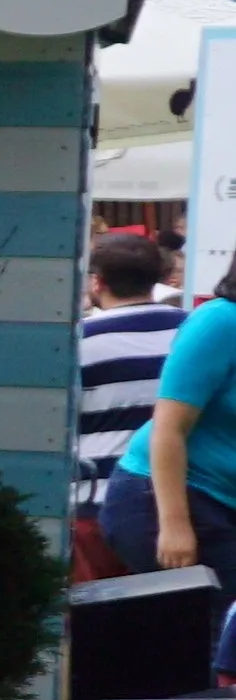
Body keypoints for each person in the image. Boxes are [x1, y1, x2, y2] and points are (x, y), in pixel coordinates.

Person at [120, 254, 236, 605]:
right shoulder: (221, 321)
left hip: (223, 503)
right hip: (171, 497)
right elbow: (169, 428)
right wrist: (174, 525)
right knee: (206, 638)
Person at [74, 228, 185, 580]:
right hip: (183, 506)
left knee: (100, 625)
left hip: (96, 503)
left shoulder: (79, 343)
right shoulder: (193, 333)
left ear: (97, 282)